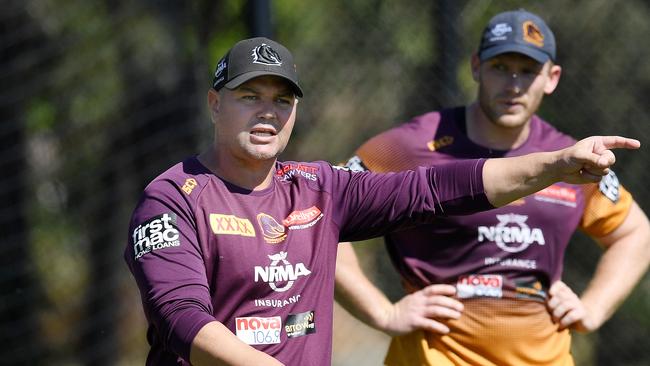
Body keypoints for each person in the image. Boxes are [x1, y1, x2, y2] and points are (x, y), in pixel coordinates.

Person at [123, 36, 640, 366]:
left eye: (282, 100)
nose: (268, 113)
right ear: (216, 104)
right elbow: (180, 316)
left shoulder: (319, 187)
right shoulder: (170, 199)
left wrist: (552, 165)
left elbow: (437, 188)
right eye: (249, 96)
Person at [334, 9, 650, 366]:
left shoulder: (569, 158)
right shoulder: (411, 147)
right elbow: (321, 215)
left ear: (552, 78)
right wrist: (382, 313)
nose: (513, 84)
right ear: (475, 67)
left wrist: (592, 308)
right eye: (500, 67)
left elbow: (635, 233)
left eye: (528, 71)